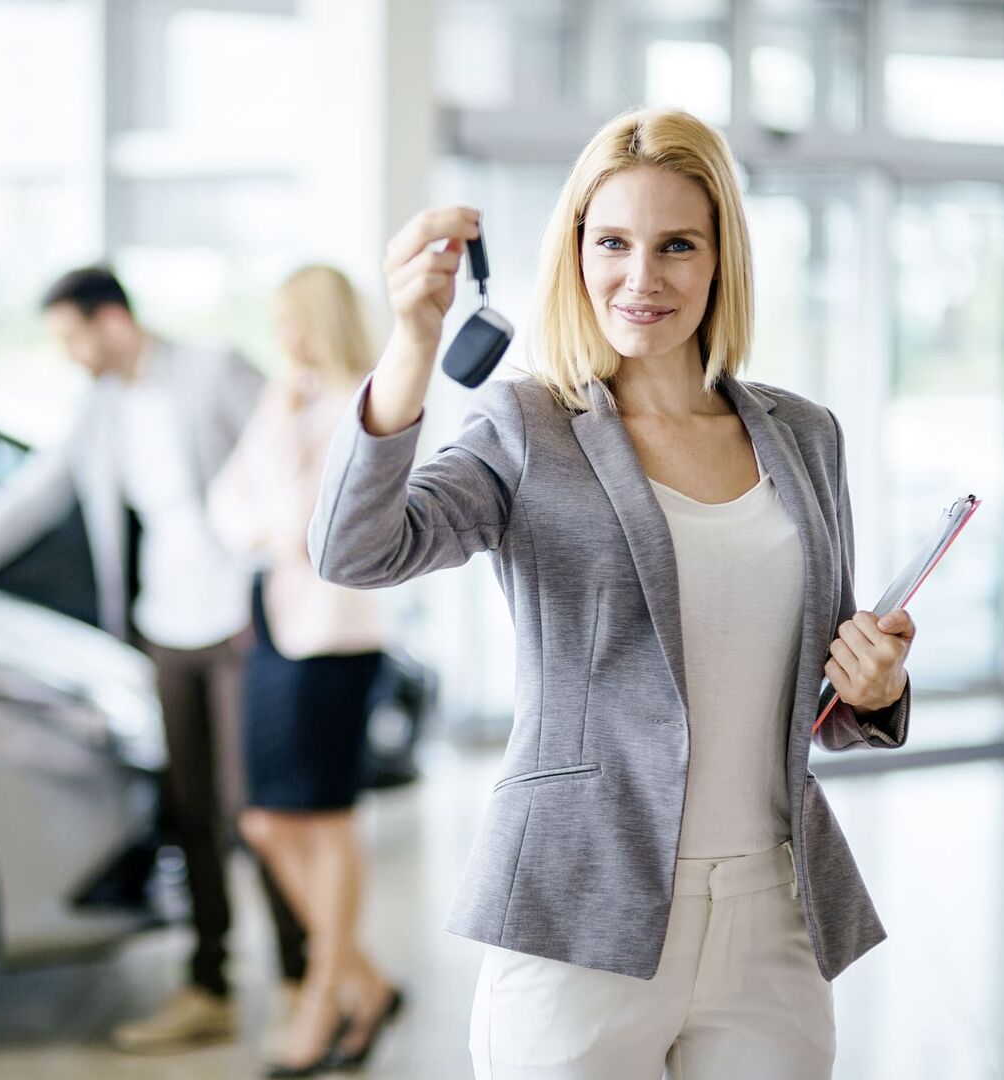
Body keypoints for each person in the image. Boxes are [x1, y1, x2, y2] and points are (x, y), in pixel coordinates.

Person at [307, 107, 917, 1079]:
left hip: (771, 910)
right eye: (613, 243)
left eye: (678, 244)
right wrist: (413, 345)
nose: (643, 278)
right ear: (576, 252)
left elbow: (823, 692)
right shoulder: (528, 425)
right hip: (577, 908)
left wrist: (875, 690)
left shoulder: (806, 435)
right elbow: (355, 550)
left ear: (721, 259)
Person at [0, 266, 309, 1053]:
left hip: (242, 619)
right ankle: (210, 984)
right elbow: (31, 494)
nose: (68, 355)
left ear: (112, 320)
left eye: (72, 337)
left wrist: (294, 566)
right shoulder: (101, 408)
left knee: (255, 811)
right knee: (188, 811)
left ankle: (305, 979)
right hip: (166, 625)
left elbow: (294, 455)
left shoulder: (211, 369)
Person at [207, 265, 404, 1077]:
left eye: (293, 320)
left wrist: (273, 506)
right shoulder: (286, 399)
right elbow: (225, 505)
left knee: (324, 820)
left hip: (337, 635)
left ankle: (326, 993)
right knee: (264, 821)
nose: (283, 338)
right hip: (277, 622)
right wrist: (271, 508)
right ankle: (364, 980)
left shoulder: (365, 404)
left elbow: (308, 527)